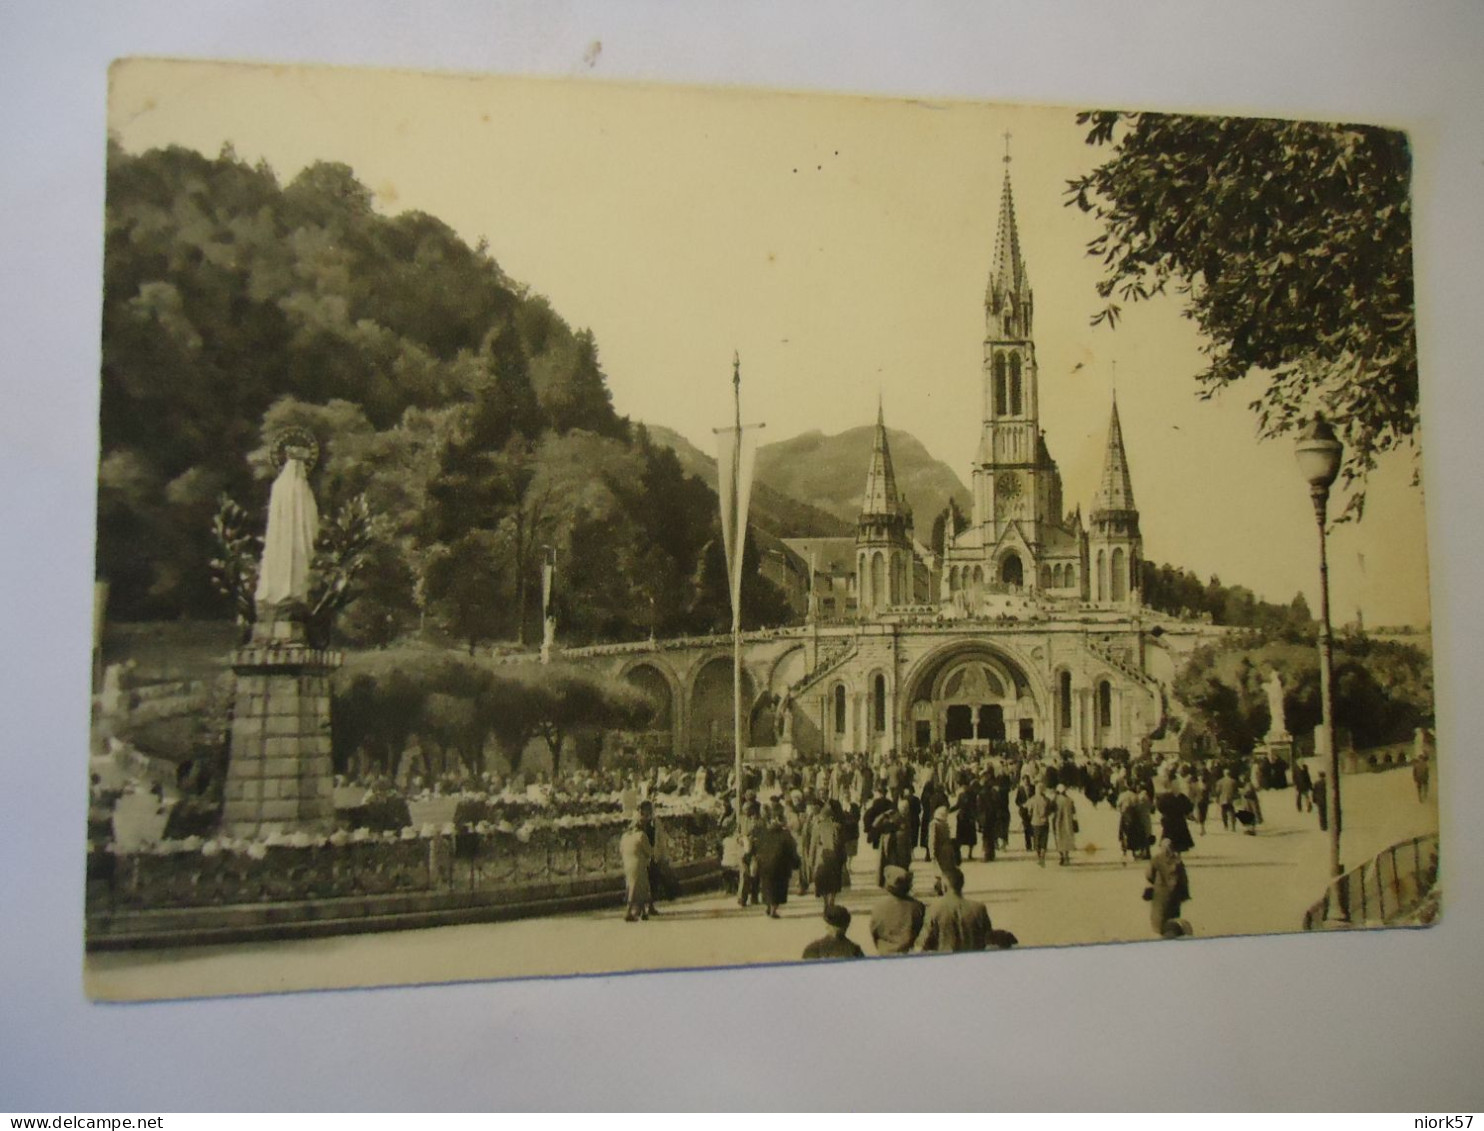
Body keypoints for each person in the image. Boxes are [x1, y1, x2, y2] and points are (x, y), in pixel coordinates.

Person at [920, 865, 993, 952]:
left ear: (944, 886)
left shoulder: (934, 909)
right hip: (973, 960)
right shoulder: (979, 908)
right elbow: (989, 939)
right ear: (962, 884)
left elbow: (923, 942)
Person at [752, 807, 800, 919]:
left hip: (764, 865)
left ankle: (768, 906)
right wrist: (796, 863)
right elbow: (791, 850)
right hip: (780, 866)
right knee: (778, 888)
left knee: (767, 886)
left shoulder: (763, 834)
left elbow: (757, 848)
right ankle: (773, 909)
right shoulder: (785, 835)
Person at [870, 865, 926, 954]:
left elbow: (874, 932)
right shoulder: (918, 906)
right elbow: (921, 933)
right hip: (907, 953)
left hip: (885, 953)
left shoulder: (878, 906)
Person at [1145, 838, 1191, 937]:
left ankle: (1161, 933)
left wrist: (1155, 882)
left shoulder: (1156, 859)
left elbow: (1149, 875)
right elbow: (1183, 879)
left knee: (1159, 916)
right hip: (1174, 894)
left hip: (1159, 893)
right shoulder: (1177, 861)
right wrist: (1185, 893)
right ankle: (1171, 933)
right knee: (1172, 916)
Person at [812, 799, 846, 909]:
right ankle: (831, 901)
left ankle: (826, 902)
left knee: (823, 880)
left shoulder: (818, 826)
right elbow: (841, 843)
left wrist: (811, 859)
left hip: (822, 857)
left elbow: (813, 844)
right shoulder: (837, 826)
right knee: (834, 881)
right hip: (835, 856)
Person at [619, 816, 653, 922]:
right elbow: (649, 851)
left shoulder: (624, 837)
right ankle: (629, 911)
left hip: (627, 865)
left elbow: (621, 850)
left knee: (632, 887)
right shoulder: (641, 836)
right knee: (640, 888)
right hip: (639, 864)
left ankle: (643, 911)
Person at [929, 805, 959, 894]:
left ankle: (941, 888)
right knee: (945, 870)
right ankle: (942, 887)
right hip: (947, 850)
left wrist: (932, 852)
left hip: (940, 850)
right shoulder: (944, 824)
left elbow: (932, 840)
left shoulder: (934, 824)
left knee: (940, 870)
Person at [1027, 785, 1054, 867]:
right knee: (1044, 840)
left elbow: (1029, 812)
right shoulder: (1047, 800)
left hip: (1035, 823)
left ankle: (1039, 857)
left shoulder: (1032, 800)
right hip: (1045, 823)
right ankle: (1042, 856)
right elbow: (1050, 811)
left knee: (1036, 840)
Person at [1051, 784, 1077, 866]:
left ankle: (1062, 856)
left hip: (1058, 822)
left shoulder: (1056, 800)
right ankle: (1066, 856)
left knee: (1059, 839)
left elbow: (1051, 810)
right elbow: (1074, 811)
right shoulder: (1069, 800)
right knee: (1067, 838)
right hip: (1068, 822)